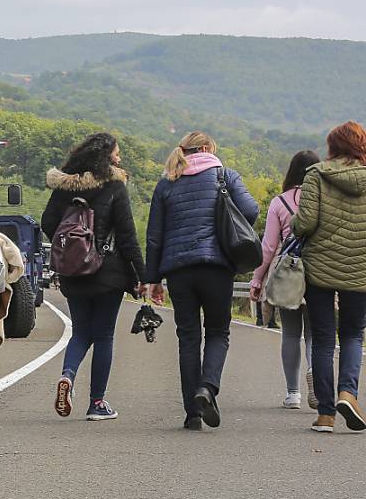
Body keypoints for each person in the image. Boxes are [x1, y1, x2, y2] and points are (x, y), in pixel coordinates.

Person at [145, 132, 259, 430]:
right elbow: (251, 210)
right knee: (218, 332)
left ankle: (192, 414)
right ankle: (207, 388)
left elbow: (155, 236)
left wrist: (153, 279)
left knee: (188, 338)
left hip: (179, 271)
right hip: (216, 267)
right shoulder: (225, 176)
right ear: (207, 149)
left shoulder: (166, 182)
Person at [41, 133, 145, 421]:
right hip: (108, 273)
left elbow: (47, 222)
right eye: (117, 153)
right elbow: (127, 237)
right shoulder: (114, 187)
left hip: (74, 273)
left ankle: (68, 376)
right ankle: (97, 403)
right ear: (106, 156)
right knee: (104, 335)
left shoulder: (63, 187)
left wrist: (74, 250)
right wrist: (141, 275)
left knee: (80, 331)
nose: (119, 158)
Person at [292, 121, 366, 433]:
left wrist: (295, 226)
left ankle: (325, 415)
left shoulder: (316, 175)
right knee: (352, 335)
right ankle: (348, 393)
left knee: (322, 338)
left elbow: (305, 223)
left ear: (332, 147)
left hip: (320, 269)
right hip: (360, 269)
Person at [250, 150, 320, 409]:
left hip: (288, 273)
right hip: (318, 271)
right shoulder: (324, 198)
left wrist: (257, 280)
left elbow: (268, 247)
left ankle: (293, 394)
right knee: (315, 334)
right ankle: (316, 377)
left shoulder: (280, 202)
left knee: (290, 334)